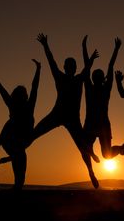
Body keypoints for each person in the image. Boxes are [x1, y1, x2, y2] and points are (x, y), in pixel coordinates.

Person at [31, 33, 100, 188]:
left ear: (75, 68)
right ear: (65, 68)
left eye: (73, 66)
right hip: (57, 114)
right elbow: (51, 62)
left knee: (83, 147)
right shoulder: (60, 76)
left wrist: (90, 58)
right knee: (34, 133)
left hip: (72, 119)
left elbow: (87, 68)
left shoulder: (78, 79)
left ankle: (91, 172)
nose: (71, 68)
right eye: (68, 66)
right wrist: (45, 45)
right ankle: (18, 148)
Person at [0, 59, 41, 191]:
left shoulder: (29, 105)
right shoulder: (12, 104)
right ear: (16, 97)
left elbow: (35, 87)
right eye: (21, 95)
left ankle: (5, 152)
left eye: (24, 95)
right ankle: (5, 152)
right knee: (11, 125)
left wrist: (38, 69)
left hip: (24, 139)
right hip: (11, 142)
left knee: (20, 171)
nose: (24, 97)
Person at [82, 35, 124, 160]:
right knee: (85, 147)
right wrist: (84, 47)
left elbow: (110, 66)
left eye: (99, 75)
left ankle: (122, 148)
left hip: (103, 126)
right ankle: (92, 153)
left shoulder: (105, 89)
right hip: (91, 125)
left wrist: (116, 49)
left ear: (101, 78)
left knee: (106, 155)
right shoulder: (90, 88)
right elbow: (87, 67)